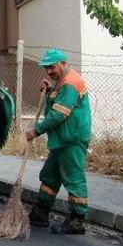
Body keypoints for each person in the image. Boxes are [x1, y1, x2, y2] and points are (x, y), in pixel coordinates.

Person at [26, 48, 92, 235]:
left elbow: (58, 114)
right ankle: (40, 212)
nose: (49, 71)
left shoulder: (70, 82)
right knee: (50, 176)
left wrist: (36, 130)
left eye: (52, 67)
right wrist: (48, 92)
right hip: (62, 139)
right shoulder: (62, 82)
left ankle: (77, 221)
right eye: (46, 68)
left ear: (63, 63)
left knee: (73, 177)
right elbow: (56, 104)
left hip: (71, 139)